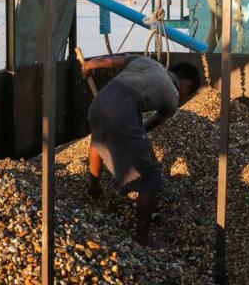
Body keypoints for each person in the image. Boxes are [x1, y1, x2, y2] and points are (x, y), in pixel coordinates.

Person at [81, 54, 201, 247]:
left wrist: (89, 65)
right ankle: (142, 238)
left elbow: (116, 60)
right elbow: (150, 125)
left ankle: (93, 188)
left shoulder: (149, 63)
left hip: (98, 104)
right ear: (186, 85)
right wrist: (130, 136)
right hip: (122, 111)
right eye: (188, 94)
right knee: (151, 180)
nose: (184, 98)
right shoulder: (172, 97)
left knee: (98, 140)